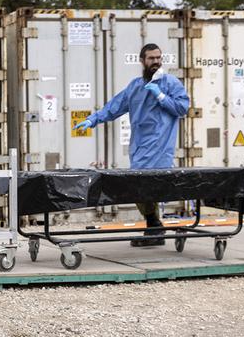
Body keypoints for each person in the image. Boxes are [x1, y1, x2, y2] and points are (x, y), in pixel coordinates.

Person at [73, 43, 190, 246]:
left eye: (158, 58)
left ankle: (154, 228)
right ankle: (154, 226)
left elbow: (182, 108)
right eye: (151, 58)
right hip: (140, 149)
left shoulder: (171, 83)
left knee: (150, 188)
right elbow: (115, 107)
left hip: (160, 149)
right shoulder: (136, 87)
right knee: (139, 189)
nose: (156, 62)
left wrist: (161, 96)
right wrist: (93, 119)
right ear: (142, 61)